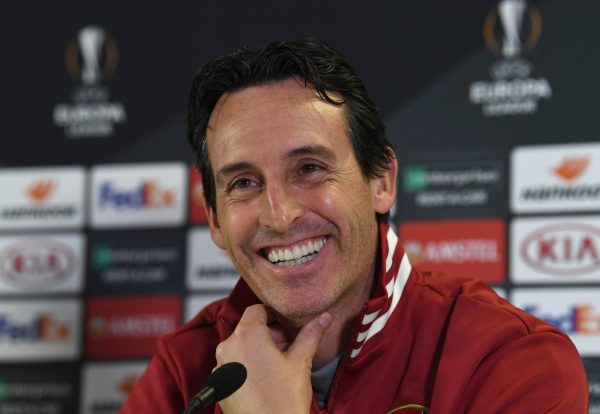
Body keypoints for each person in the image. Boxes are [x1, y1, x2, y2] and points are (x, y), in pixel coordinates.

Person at [120, 38, 589, 414]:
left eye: (309, 168)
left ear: (381, 181)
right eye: (243, 182)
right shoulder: (184, 370)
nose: (279, 215)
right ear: (215, 219)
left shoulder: (511, 359)